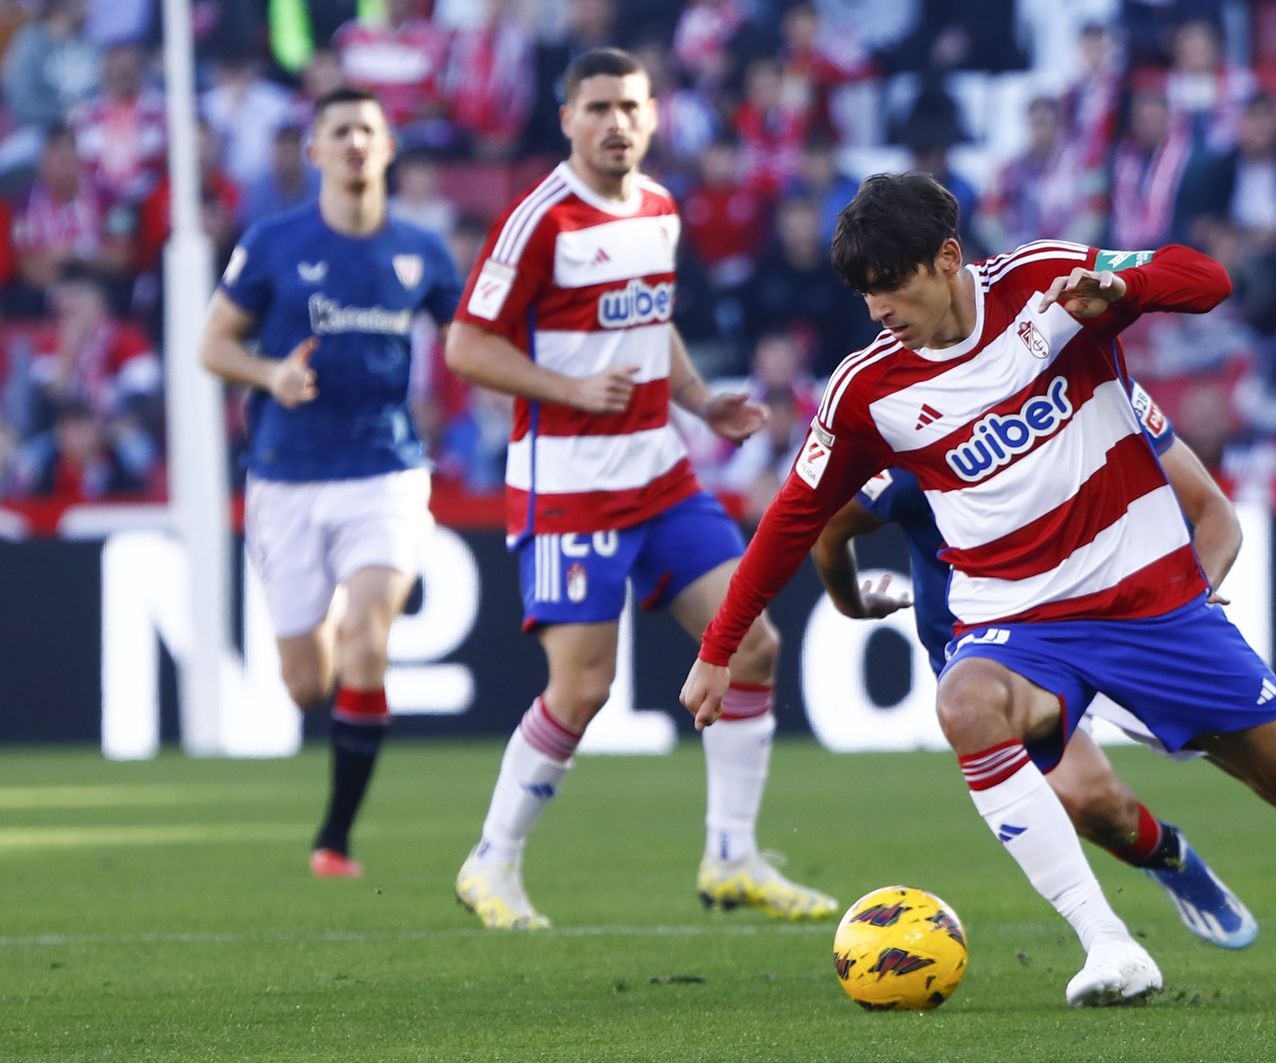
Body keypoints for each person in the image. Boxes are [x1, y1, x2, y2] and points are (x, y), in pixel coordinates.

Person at [681, 173, 1276, 1005]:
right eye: (863, 293)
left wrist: (1127, 286)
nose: (878, 309)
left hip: (1148, 604)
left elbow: (1207, 280)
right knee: (967, 704)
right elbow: (796, 516)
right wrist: (720, 648)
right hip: (1016, 620)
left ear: (945, 258)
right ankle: (1109, 943)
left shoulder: (1046, 283)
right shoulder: (867, 391)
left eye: (889, 285)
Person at [444, 47, 836, 931]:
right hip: (570, 486)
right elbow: (467, 347)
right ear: (567, 120)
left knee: (753, 643)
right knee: (583, 690)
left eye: (629, 106)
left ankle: (732, 855)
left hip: (660, 470)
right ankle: (492, 861)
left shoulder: (658, 207)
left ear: (653, 114)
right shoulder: (538, 221)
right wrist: (570, 390)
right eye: (597, 108)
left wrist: (699, 400)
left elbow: (650, 324)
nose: (615, 123)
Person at [812, 394, 1276, 940]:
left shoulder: (1093, 391)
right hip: (1010, 653)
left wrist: (1192, 600)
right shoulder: (927, 441)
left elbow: (1213, 510)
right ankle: (1172, 860)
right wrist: (853, 603)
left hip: (1128, 626)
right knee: (1092, 803)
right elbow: (829, 531)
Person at [198, 87, 464, 879]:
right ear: (314, 151)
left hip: (385, 468)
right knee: (305, 681)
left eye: (368, 131)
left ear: (388, 150)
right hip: (285, 475)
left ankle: (335, 838)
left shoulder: (425, 251)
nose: (354, 143)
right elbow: (214, 345)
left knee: (368, 632)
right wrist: (268, 373)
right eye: (339, 130)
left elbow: (471, 342)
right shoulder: (273, 243)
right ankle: (329, 661)